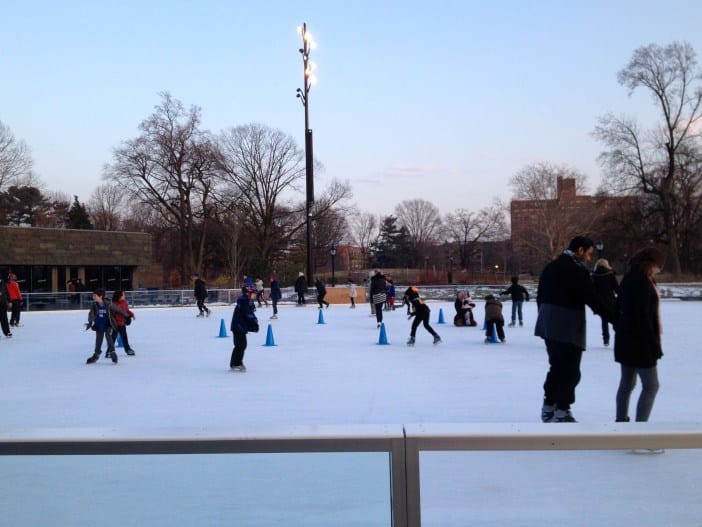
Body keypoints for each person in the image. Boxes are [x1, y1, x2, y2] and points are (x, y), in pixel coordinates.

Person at [535, 236, 612, 423]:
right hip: (567, 325)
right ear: (580, 250)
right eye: (589, 254)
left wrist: (544, 317)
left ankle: (549, 406)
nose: (589, 258)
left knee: (557, 366)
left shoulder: (551, 266)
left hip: (548, 323)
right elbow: (592, 298)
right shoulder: (577, 270)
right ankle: (562, 410)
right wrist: (614, 318)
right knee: (570, 370)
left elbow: (540, 294)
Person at [614, 248, 665, 423]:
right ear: (650, 264)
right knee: (651, 386)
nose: (659, 270)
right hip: (640, 343)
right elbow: (642, 316)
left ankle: (621, 423)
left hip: (626, 340)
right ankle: (640, 430)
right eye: (659, 266)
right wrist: (653, 344)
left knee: (627, 384)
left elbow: (618, 309)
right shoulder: (642, 283)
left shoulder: (630, 279)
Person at [85, 289, 130, 364]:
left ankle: (112, 353)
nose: (93, 297)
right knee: (98, 340)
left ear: (100, 296)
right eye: (93, 296)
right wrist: (91, 321)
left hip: (108, 325)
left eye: (95, 296)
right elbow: (91, 314)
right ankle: (96, 354)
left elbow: (118, 310)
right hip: (99, 325)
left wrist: (127, 316)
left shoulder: (108, 304)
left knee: (109, 337)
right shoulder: (94, 305)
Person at [230, 285, 258, 372]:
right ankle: (236, 363)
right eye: (253, 293)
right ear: (247, 293)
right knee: (240, 345)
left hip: (241, 326)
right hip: (238, 326)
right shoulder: (243, 301)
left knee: (241, 345)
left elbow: (250, 312)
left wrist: (254, 321)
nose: (255, 295)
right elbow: (248, 313)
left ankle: (235, 362)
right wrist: (253, 322)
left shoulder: (247, 301)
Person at [592, 259, 620, 347]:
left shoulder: (594, 275)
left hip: (600, 301)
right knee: (616, 320)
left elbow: (593, 289)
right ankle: (619, 338)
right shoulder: (610, 275)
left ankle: (606, 339)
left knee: (604, 320)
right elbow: (616, 288)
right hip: (611, 301)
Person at [110, 290, 136, 356]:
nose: (125, 296)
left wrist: (131, 315)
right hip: (115, 324)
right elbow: (112, 314)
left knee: (124, 337)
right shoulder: (113, 304)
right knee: (113, 338)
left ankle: (128, 350)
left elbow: (127, 310)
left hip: (122, 323)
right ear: (119, 296)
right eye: (123, 295)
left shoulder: (124, 303)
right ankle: (109, 352)